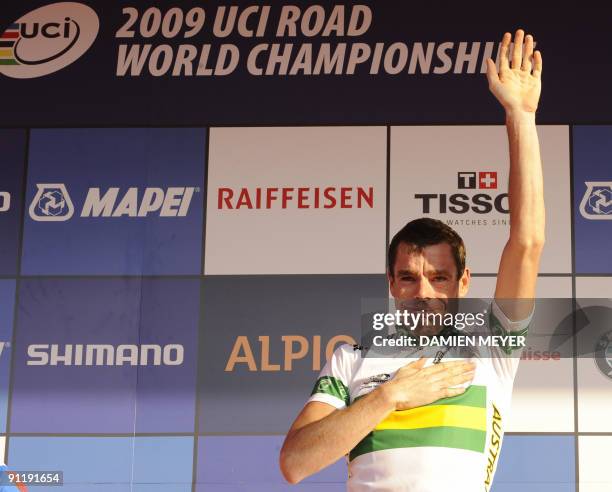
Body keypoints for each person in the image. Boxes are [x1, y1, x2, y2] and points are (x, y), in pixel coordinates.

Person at [279, 28, 545, 491]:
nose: (423, 292)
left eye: (439, 278)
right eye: (409, 277)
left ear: (464, 283)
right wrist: (391, 395)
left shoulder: (491, 347)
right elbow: (295, 463)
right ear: (391, 283)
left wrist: (520, 117)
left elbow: (526, 242)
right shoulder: (351, 360)